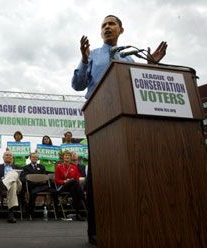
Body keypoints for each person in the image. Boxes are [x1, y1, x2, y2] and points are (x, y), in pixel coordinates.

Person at [71, 15, 168, 245]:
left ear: (121, 30)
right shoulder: (92, 55)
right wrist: (84, 60)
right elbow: (77, 85)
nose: (107, 27)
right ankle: (96, 230)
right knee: (99, 177)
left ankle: (131, 224)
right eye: (103, 25)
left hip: (127, 122)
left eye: (111, 24)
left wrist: (150, 65)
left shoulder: (129, 56)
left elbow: (138, 83)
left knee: (129, 173)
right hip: (99, 119)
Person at [20, 153, 56, 220]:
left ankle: (55, 212)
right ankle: (30, 213)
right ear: (30, 158)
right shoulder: (26, 167)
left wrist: (40, 181)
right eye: (33, 157)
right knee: (32, 192)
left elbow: (45, 177)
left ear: (38, 158)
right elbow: (24, 178)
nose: (34, 158)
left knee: (55, 191)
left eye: (36, 157)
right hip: (31, 186)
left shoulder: (42, 166)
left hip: (42, 186)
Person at [0, 151, 22, 223]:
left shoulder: (17, 167)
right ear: (3, 157)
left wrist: (14, 177)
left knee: (14, 174)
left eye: (10, 155)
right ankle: (11, 213)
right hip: (7, 187)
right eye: (7, 155)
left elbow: (23, 179)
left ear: (12, 158)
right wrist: (2, 179)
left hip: (18, 186)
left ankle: (3, 183)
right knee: (13, 184)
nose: (8, 156)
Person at [54, 150, 85, 221]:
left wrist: (71, 180)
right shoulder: (59, 167)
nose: (67, 157)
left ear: (70, 157)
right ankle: (84, 199)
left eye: (68, 155)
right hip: (63, 186)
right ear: (63, 157)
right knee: (74, 184)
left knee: (75, 192)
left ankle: (77, 214)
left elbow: (77, 178)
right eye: (65, 155)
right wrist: (65, 181)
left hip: (72, 187)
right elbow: (57, 180)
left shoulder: (74, 167)